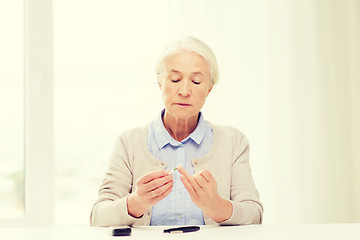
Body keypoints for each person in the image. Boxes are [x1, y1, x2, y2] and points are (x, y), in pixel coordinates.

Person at [90, 37, 263, 226]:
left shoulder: (233, 142)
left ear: (209, 89)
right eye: (175, 79)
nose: (184, 90)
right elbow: (98, 217)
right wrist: (137, 202)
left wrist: (217, 206)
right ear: (160, 83)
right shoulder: (128, 142)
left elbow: (254, 215)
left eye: (196, 81)